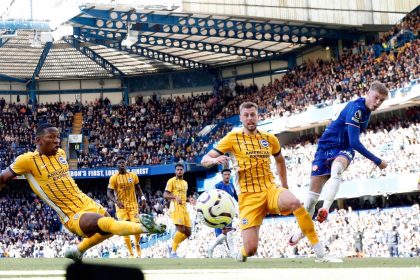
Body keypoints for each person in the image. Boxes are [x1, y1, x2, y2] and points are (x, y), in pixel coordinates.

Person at [0, 123, 165, 262]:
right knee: (107, 224)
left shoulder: (62, 154)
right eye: (51, 137)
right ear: (38, 140)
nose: (57, 141)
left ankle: (78, 251)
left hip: (87, 202)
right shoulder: (27, 160)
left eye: (58, 137)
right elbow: (2, 178)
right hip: (71, 214)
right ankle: (146, 228)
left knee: (108, 231)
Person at [201, 102, 339, 262]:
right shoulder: (232, 138)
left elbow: (280, 160)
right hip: (248, 197)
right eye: (246, 115)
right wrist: (215, 159)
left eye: (253, 114)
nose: (250, 118)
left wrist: (285, 187)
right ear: (241, 118)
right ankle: (242, 253)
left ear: (258, 116)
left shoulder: (269, 139)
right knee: (251, 249)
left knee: (295, 202)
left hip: (270, 190)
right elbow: (205, 159)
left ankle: (321, 254)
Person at [289, 81, 389, 246]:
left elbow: (352, 145)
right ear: (368, 93)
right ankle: (301, 231)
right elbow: (356, 142)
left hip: (343, 148)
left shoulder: (366, 111)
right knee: (310, 201)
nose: (377, 102)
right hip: (324, 148)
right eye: (376, 98)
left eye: (381, 100)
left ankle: (325, 209)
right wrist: (377, 161)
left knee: (337, 169)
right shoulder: (357, 109)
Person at [107, 156, 146, 258]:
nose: (122, 164)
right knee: (125, 229)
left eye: (123, 162)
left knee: (137, 226)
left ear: (126, 164)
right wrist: (116, 202)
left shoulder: (133, 176)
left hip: (133, 205)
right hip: (121, 207)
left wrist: (142, 197)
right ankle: (131, 253)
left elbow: (138, 188)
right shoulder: (113, 178)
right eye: (120, 163)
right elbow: (109, 192)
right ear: (116, 165)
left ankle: (137, 245)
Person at [207, 168, 238, 258]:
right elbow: (212, 198)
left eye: (228, 174)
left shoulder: (232, 186)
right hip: (220, 213)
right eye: (225, 174)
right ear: (222, 175)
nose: (227, 176)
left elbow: (237, 198)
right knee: (229, 232)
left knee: (225, 233)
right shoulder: (218, 186)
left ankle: (211, 247)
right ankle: (233, 254)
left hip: (229, 212)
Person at [163, 163, 191, 258]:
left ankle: (172, 245)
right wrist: (175, 197)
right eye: (178, 169)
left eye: (181, 169)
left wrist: (189, 200)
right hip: (175, 208)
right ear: (175, 171)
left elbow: (183, 197)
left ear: (183, 171)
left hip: (184, 208)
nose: (179, 171)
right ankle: (173, 253)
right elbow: (165, 195)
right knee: (181, 230)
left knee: (188, 232)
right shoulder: (171, 181)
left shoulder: (185, 183)